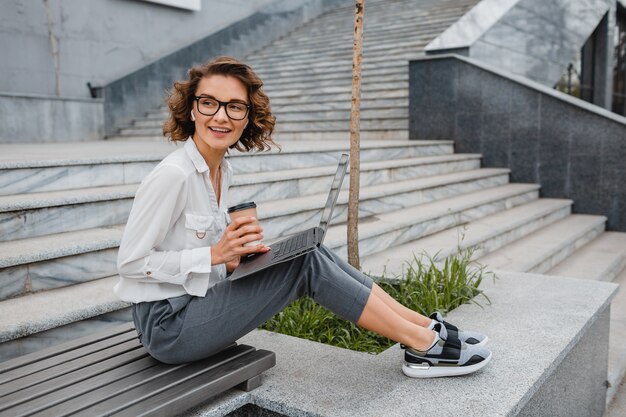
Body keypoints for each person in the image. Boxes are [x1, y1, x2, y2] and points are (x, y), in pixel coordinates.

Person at [115, 56, 492, 378]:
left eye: (234, 106)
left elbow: (198, 260)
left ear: (247, 116)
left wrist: (234, 260)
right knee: (305, 267)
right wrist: (214, 255)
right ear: (192, 109)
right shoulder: (173, 175)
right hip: (168, 328)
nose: (221, 116)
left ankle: (424, 326)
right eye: (209, 103)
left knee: (308, 252)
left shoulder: (220, 170)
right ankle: (424, 346)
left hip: (196, 304)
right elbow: (131, 263)